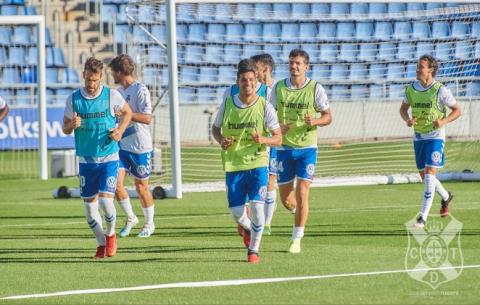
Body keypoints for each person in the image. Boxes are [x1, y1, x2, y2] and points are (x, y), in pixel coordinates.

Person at [212, 58, 282, 263]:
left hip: (258, 163)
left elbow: (278, 137)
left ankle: (254, 250)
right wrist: (221, 141)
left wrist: (264, 139)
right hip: (234, 164)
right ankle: (250, 229)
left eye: (251, 80)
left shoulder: (265, 106)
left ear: (256, 80)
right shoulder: (228, 103)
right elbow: (216, 129)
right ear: (238, 81)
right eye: (244, 80)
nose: (248, 84)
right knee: (236, 213)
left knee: (258, 208)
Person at [62, 57, 132, 259]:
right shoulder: (74, 99)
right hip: (86, 161)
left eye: (95, 80)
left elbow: (128, 113)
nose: (91, 85)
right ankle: (101, 243)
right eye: (88, 80)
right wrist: (71, 125)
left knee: (105, 203)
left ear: (101, 77)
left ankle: (110, 235)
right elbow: (65, 128)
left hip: (109, 158)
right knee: (90, 213)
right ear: (84, 75)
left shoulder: (112, 96)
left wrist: (119, 130)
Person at [270, 49, 332, 254]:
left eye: (298, 63)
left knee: (303, 191)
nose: (294, 66)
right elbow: (266, 116)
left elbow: (328, 117)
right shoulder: (279, 88)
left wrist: (315, 121)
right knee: (287, 200)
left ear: (306, 66)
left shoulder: (315, 88)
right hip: (284, 148)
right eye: (291, 63)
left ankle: (296, 238)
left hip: (307, 148)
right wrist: (277, 126)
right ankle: (300, 213)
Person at [400, 54, 461, 228]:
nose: (418, 69)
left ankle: (422, 217)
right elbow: (403, 109)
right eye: (417, 66)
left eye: (421, 66)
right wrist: (407, 120)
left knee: (428, 174)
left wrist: (443, 121)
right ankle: (446, 196)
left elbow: (457, 110)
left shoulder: (440, 90)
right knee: (425, 177)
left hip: (436, 137)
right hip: (419, 137)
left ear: (431, 70)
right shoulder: (411, 88)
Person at [108, 54, 156, 238]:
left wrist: (127, 114)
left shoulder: (140, 90)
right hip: (121, 146)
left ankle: (150, 224)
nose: (112, 74)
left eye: (113, 71)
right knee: (115, 184)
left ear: (120, 72)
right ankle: (130, 217)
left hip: (140, 147)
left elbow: (147, 118)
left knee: (141, 188)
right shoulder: (118, 92)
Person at [251, 53, 279, 236]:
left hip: (273, 142)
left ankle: (267, 223)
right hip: (256, 143)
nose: (254, 72)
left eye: (256, 68)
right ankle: (260, 219)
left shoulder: (278, 89)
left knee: (270, 180)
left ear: (266, 69)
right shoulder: (255, 89)